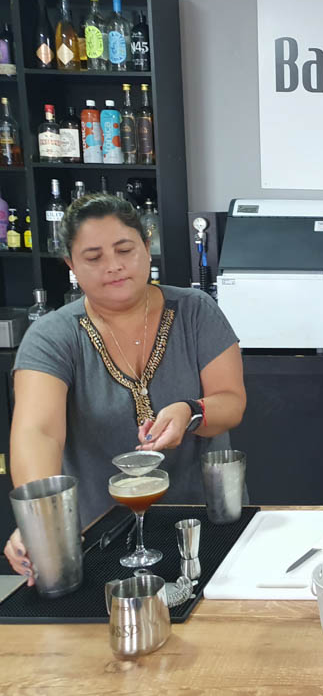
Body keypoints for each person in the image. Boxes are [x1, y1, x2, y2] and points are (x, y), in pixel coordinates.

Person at [3, 193, 246, 584]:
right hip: (100, 536)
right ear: (71, 265)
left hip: (205, 522)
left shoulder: (195, 311)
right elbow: (38, 432)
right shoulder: (51, 336)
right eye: (93, 257)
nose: (113, 266)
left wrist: (190, 410)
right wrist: (41, 520)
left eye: (124, 250)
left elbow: (230, 403)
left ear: (146, 247)